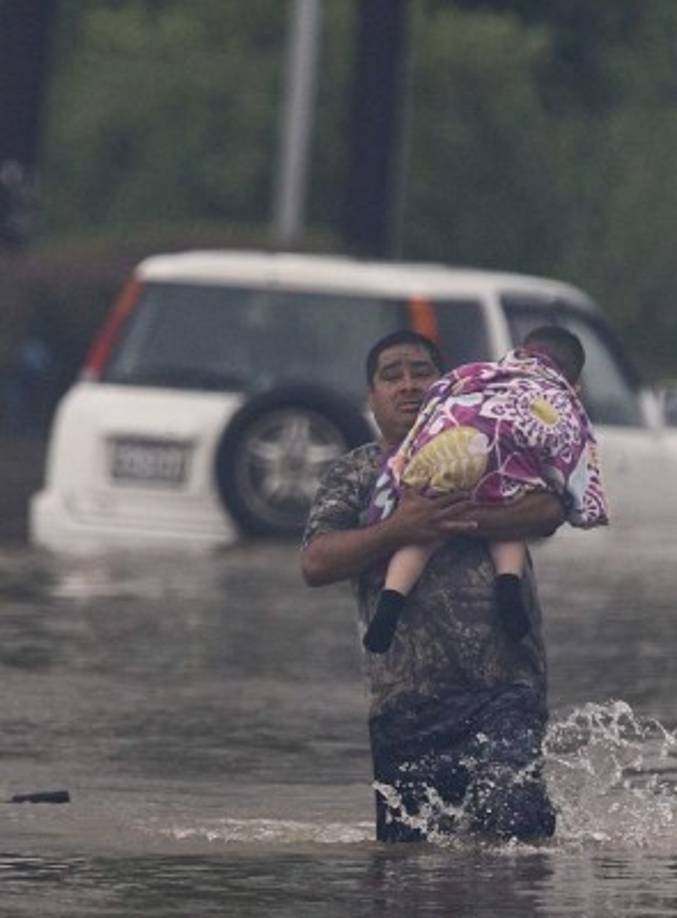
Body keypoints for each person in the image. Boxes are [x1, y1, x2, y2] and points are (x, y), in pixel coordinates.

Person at [301, 329, 567, 843]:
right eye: (391, 375)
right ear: (371, 398)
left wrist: (467, 513)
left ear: (445, 385)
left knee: (516, 843)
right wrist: (401, 528)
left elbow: (552, 507)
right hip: (406, 706)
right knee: (412, 870)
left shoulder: (492, 446)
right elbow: (316, 563)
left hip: (505, 691)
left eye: (421, 371)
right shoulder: (356, 474)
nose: (408, 385)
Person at [363, 325, 608, 655]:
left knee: (421, 536)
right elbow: (576, 450)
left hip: (450, 447)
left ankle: (391, 600)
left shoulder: (486, 371)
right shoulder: (560, 396)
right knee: (510, 504)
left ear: (520, 351)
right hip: (506, 462)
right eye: (393, 377)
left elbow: (444, 390)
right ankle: (509, 583)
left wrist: (411, 455)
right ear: (574, 382)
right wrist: (586, 506)